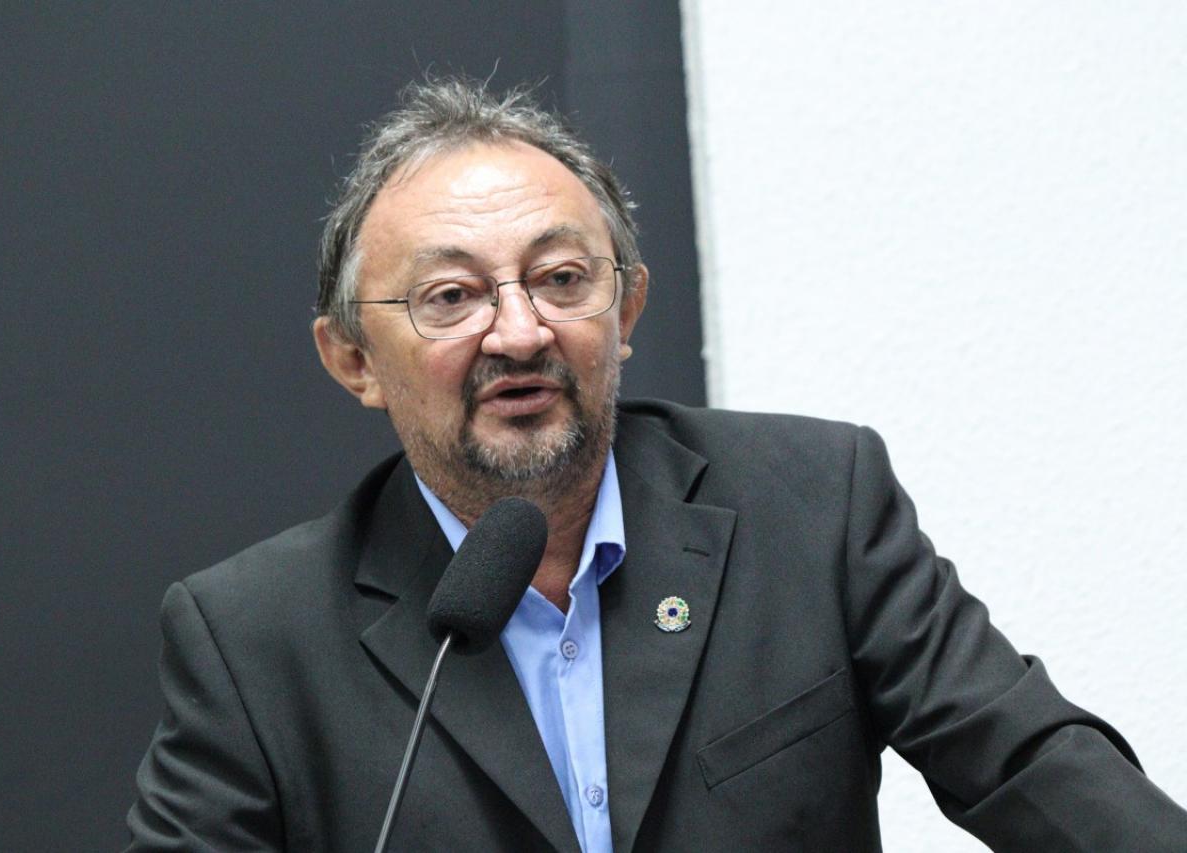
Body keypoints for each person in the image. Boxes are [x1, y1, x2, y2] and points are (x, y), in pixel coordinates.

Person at [126, 78, 1187, 852]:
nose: (520, 332)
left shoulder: (811, 504)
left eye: (561, 278)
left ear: (625, 309)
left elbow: (1030, 764)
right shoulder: (255, 639)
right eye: (452, 296)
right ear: (353, 358)